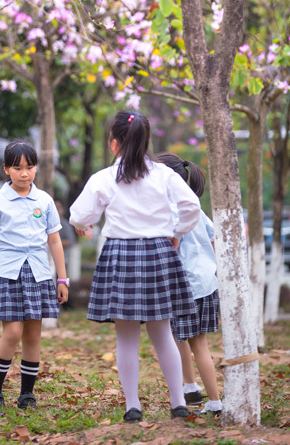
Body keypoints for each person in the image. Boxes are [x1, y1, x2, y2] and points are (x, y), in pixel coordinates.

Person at [69, 111, 201, 423]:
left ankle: (133, 406)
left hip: (121, 254)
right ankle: (178, 402)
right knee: (163, 333)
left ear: (113, 143)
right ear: (145, 140)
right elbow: (191, 206)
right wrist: (176, 232)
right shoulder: (163, 175)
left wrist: (85, 225)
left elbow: (78, 215)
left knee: (126, 338)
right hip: (158, 251)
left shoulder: (103, 178)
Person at [0, 140, 69, 410]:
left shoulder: (44, 201)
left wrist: (62, 279)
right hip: (8, 273)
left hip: (39, 274)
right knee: (12, 333)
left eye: (29, 167)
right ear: (6, 169)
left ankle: (27, 394)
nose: (24, 173)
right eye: (17, 168)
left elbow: (54, 240)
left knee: (33, 335)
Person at [156, 153, 222, 416]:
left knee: (191, 343)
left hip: (184, 287)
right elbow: (213, 239)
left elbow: (170, 247)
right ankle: (191, 387)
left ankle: (215, 401)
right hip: (207, 283)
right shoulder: (193, 205)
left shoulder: (168, 211)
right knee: (186, 339)